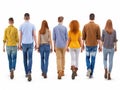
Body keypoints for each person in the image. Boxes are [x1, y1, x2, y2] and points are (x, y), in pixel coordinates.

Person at [82, 13, 102, 78]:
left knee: (87, 58)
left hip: (87, 45)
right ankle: (91, 74)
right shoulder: (97, 26)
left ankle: (88, 68)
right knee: (93, 59)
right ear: (94, 18)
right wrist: (100, 46)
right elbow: (99, 38)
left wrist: (82, 45)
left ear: (89, 18)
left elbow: (83, 38)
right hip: (94, 45)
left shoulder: (85, 26)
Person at [18, 13, 37, 81]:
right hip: (30, 43)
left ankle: (26, 72)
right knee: (30, 58)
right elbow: (34, 35)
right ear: (29, 18)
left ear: (24, 18)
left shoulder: (21, 25)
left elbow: (20, 36)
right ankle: (29, 71)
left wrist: (19, 45)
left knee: (25, 59)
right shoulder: (32, 25)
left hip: (24, 44)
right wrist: (36, 44)